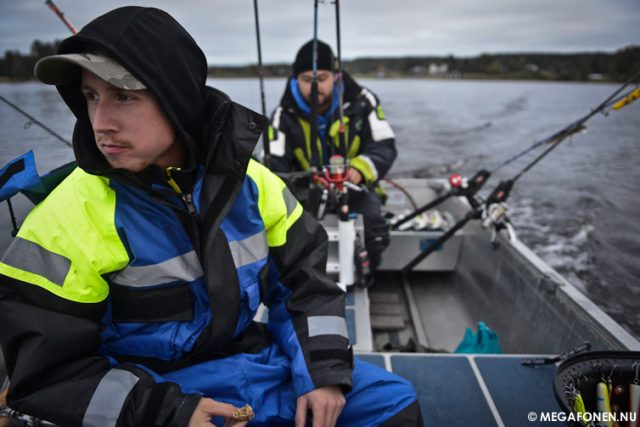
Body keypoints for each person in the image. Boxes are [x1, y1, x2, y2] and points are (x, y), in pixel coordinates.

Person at [0, 7, 423, 427]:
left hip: (251, 360)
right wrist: (169, 412)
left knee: (393, 406)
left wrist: (323, 372)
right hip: (147, 392)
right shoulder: (65, 218)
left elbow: (305, 285)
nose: (100, 122)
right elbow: (49, 374)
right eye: (91, 96)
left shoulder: (255, 184)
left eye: (123, 96)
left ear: (177, 97)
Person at [268, 40, 397, 270]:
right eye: (306, 79)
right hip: (305, 193)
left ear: (336, 76)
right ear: (295, 79)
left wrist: (358, 170)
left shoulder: (363, 101)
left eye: (322, 78)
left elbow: (384, 146)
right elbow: (274, 167)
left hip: (355, 188)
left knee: (374, 228)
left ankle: (365, 274)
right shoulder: (281, 116)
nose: (314, 86)